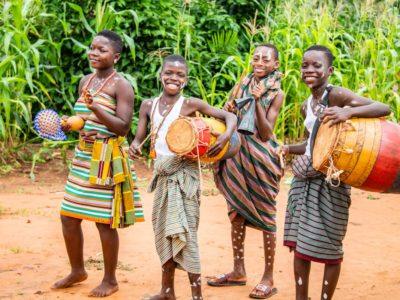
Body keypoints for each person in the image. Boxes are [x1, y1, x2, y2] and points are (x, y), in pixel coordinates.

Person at [278, 45, 391, 300]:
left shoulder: (336, 95)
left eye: (316, 66)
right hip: (303, 181)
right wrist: (287, 148)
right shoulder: (307, 105)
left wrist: (348, 111)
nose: (309, 70)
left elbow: (383, 108)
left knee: (330, 242)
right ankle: (300, 297)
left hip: (333, 179)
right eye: (305, 65)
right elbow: (313, 143)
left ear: (329, 70)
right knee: (299, 242)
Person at [128, 54, 237, 300]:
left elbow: (230, 117)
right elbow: (139, 137)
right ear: (160, 74)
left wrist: (224, 136)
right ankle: (167, 292)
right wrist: (135, 146)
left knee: (186, 234)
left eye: (179, 75)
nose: (173, 78)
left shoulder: (190, 104)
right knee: (164, 232)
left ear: (185, 80)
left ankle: (196, 295)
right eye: (169, 73)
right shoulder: (148, 105)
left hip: (185, 176)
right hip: (162, 175)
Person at [52, 30, 144, 297]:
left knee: (104, 222)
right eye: (92, 48)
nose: (94, 53)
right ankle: (77, 270)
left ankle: (110, 279)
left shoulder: (122, 85)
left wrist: (96, 110)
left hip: (108, 158)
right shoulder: (85, 81)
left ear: (115, 56)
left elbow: (123, 127)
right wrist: (74, 126)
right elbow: (84, 120)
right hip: (84, 157)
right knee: (68, 216)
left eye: (101, 50)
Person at [207, 44, 284, 299]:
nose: (259, 61)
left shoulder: (276, 93)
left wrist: (259, 100)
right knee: (235, 212)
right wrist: (229, 110)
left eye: (266, 59)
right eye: (256, 57)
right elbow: (228, 111)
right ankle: (238, 271)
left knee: (266, 217)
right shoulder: (242, 83)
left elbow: (265, 132)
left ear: (276, 65)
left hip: (261, 159)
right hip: (236, 153)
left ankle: (268, 277)